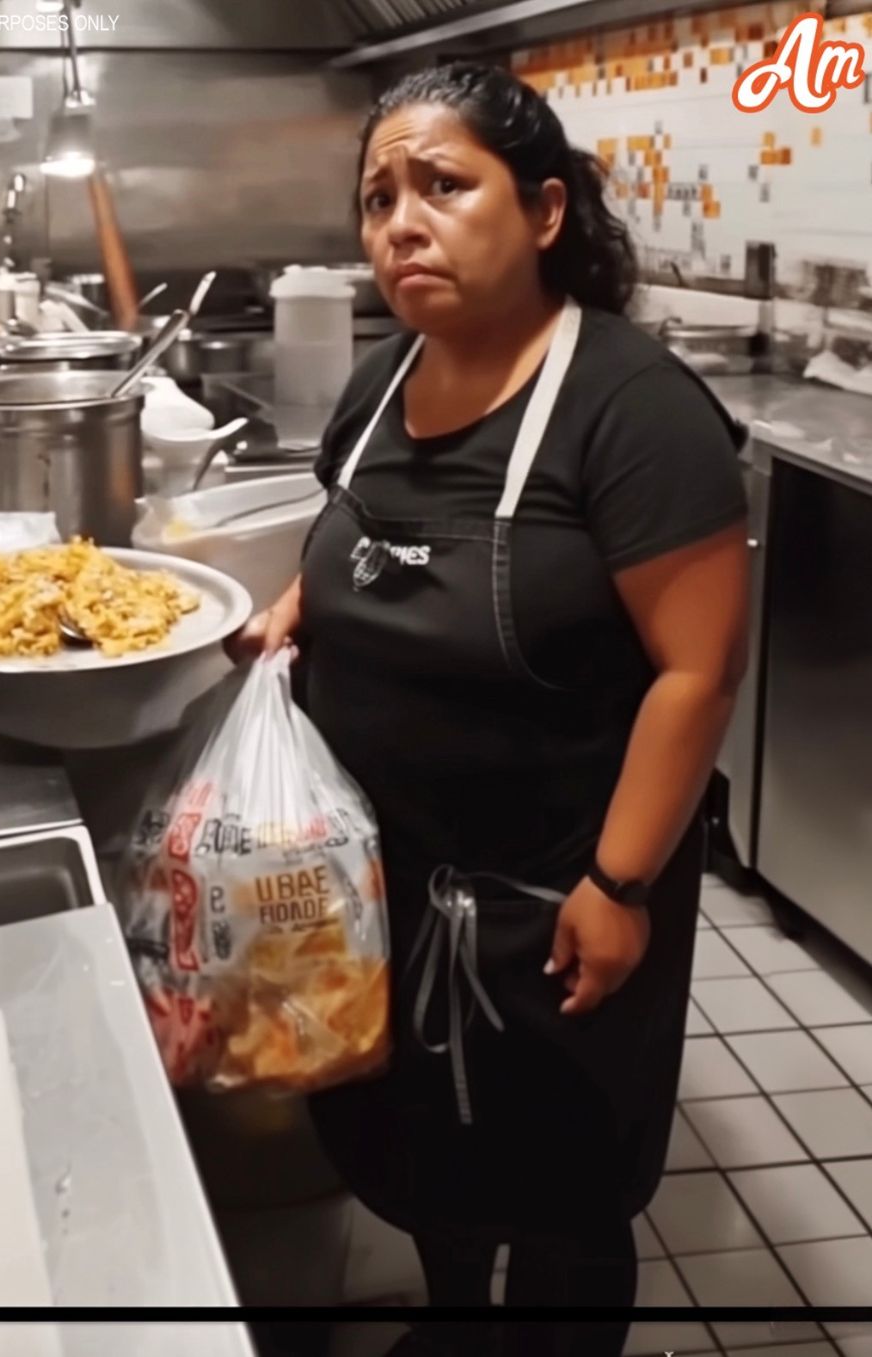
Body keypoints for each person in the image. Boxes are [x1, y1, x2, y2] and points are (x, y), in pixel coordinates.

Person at [231, 63, 749, 1355]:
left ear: (547, 212)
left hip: (553, 895)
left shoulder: (631, 413)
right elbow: (356, 532)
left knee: (564, 1180)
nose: (402, 222)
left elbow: (698, 670)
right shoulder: (380, 382)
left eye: (444, 186)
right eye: (378, 198)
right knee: (422, 1150)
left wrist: (620, 885)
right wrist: (302, 605)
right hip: (387, 880)